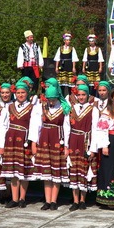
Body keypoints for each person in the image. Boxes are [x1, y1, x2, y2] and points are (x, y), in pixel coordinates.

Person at [0, 79, 41, 208]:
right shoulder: (9, 107)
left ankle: (22, 198)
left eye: (23, 92)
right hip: (10, 140)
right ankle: (14, 198)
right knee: (12, 170)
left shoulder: (33, 108)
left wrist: (33, 142)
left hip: (24, 140)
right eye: (18, 92)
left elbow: (34, 126)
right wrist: (1, 145)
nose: (20, 95)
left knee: (23, 170)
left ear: (27, 93)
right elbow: (2, 126)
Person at [35, 82, 70, 210]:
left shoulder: (64, 108)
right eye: (49, 99)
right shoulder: (43, 107)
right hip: (45, 139)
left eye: (53, 99)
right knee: (46, 171)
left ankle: (54, 200)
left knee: (56, 171)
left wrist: (66, 145)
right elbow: (38, 125)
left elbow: (67, 127)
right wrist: (36, 142)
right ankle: (47, 200)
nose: (51, 101)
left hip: (57, 139)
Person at [66, 83, 97, 210]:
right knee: (74, 168)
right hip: (74, 140)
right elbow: (67, 128)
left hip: (86, 140)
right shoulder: (71, 108)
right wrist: (66, 146)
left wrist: (92, 148)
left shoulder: (93, 109)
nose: (81, 97)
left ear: (88, 95)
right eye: (79, 95)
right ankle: (75, 200)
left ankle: (83, 200)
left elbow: (95, 129)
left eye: (83, 95)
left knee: (84, 168)